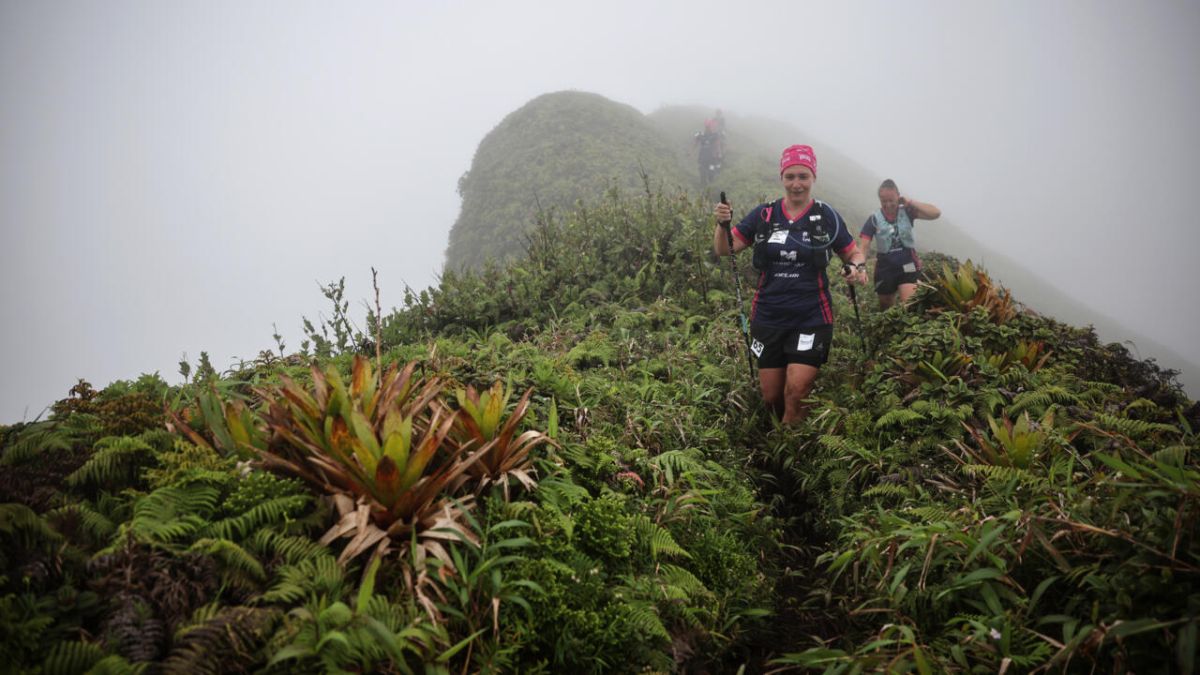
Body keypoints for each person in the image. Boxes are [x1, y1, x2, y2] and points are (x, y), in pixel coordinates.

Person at [713, 145, 868, 424]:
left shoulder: (827, 216)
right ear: (782, 177)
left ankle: (791, 455)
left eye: (803, 176)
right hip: (768, 316)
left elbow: (853, 252)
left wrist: (857, 267)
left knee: (796, 392)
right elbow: (726, 249)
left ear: (813, 178)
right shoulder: (765, 215)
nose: (797, 184)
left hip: (811, 316)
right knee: (771, 398)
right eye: (791, 176)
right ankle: (773, 444)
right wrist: (721, 224)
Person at [858, 180, 942, 309]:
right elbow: (863, 246)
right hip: (884, 269)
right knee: (886, 308)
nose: (888, 205)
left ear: (898, 196)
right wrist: (861, 268)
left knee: (909, 306)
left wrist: (910, 202)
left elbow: (935, 213)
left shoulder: (908, 212)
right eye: (883, 201)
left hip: (908, 265)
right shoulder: (874, 219)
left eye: (891, 200)